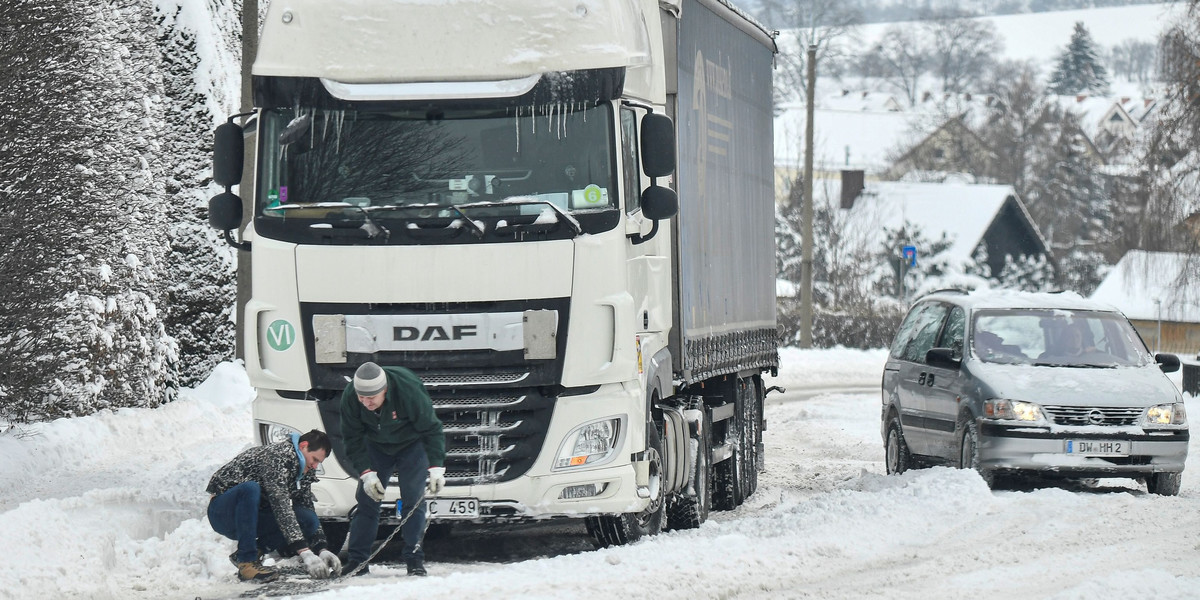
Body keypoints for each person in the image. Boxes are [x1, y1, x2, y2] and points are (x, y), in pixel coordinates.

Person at [339, 361, 446, 577]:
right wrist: (366, 473)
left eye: (371, 398)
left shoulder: (408, 389)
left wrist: (436, 467)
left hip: (412, 445)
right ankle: (358, 562)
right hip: (376, 445)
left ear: (384, 390)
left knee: (413, 500)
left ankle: (414, 560)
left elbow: (432, 428)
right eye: (362, 398)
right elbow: (351, 438)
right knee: (367, 500)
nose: (366, 403)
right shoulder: (351, 396)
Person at [206, 429, 342, 583]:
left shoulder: (304, 469)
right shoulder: (276, 457)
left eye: (319, 462)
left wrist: (321, 548)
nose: (315, 466)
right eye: (315, 459)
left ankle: (251, 553)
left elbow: (305, 506)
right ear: (303, 446)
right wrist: (305, 552)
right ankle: (246, 562)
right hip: (223, 513)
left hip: (254, 516)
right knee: (251, 488)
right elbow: (281, 505)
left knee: (305, 516)